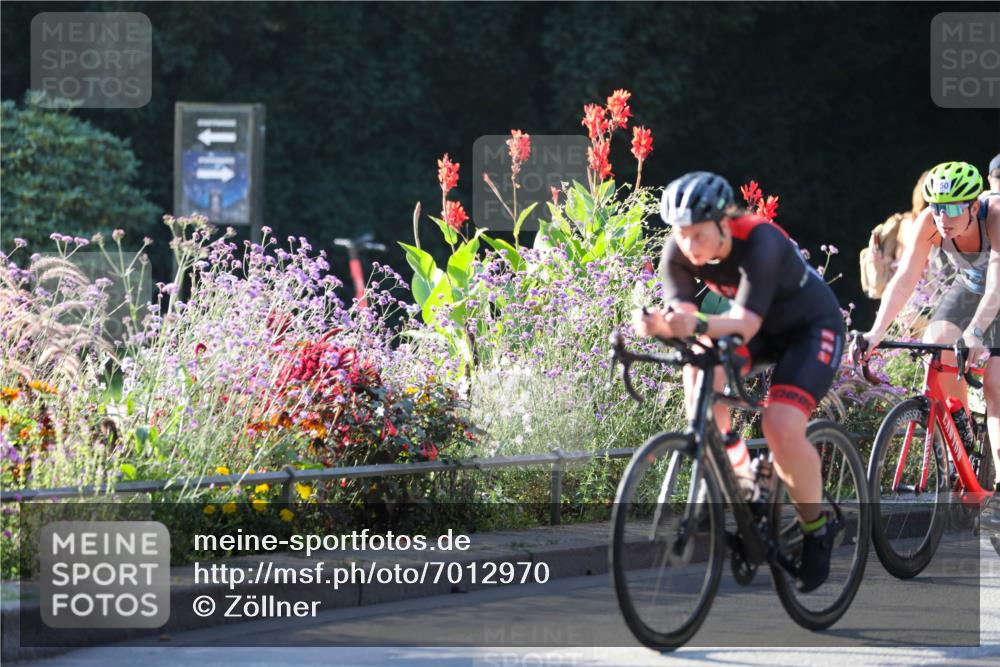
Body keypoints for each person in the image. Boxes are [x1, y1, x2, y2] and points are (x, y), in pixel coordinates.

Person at [633, 171, 846, 592]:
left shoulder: (761, 240)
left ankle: (816, 529)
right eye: (681, 234)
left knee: (780, 427)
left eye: (698, 235)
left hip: (809, 329)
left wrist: (690, 322)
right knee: (698, 375)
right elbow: (684, 315)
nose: (688, 246)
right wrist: (657, 325)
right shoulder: (677, 248)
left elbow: (744, 324)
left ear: (724, 222)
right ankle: (748, 486)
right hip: (760, 328)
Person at [857, 161, 1000, 491]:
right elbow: (905, 280)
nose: (943, 218)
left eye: (952, 209)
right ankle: (963, 434)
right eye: (937, 208)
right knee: (937, 341)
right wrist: (875, 334)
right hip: (970, 286)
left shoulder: (993, 215)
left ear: (973, 206)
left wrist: (977, 332)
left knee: (994, 382)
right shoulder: (929, 222)